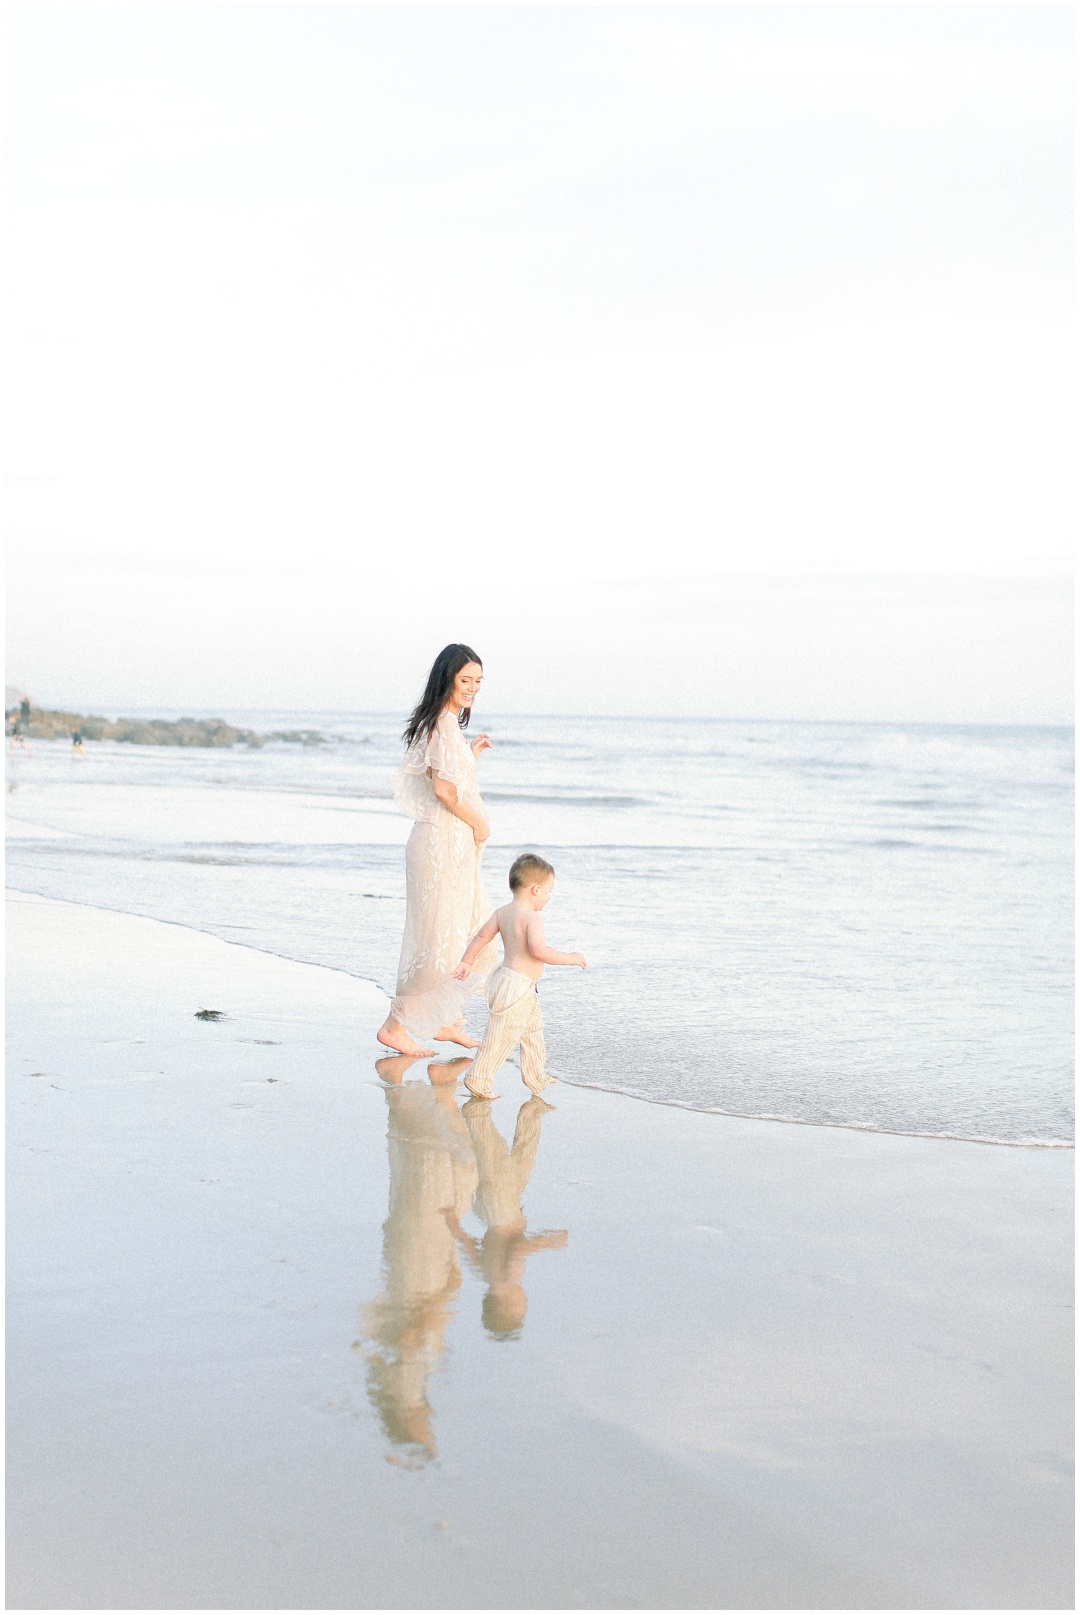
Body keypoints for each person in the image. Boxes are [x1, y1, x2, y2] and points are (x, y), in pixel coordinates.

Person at [376, 645, 499, 1058]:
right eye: (466, 680)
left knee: (463, 930)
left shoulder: (445, 726)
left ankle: (445, 1019)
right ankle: (394, 1027)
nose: (472, 689)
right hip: (440, 846)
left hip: (449, 844)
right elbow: (444, 791)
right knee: (437, 940)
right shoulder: (443, 727)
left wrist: (471, 754)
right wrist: (479, 823)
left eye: (478, 682)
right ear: (447, 678)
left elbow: (449, 777)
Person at [451, 853, 585, 1100]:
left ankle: (535, 1075)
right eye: (549, 890)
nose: (549, 896)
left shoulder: (503, 912)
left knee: (534, 1031)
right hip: (517, 986)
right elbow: (538, 951)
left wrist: (466, 962)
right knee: (500, 1036)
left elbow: (482, 937)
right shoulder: (532, 917)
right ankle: (478, 1078)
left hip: (513, 982)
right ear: (535, 889)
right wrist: (571, 957)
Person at [444, 1096, 567, 1340]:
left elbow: (519, 1248)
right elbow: (467, 1245)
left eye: (522, 1306)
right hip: (491, 1210)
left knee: (492, 1154)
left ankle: (476, 1114)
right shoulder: (485, 1275)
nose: (524, 1300)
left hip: (503, 1209)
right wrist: (452, 1222)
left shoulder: (508, 1279)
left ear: (509, 1306)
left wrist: (548, 1241)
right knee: (518, 1162)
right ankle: (531, 1113)